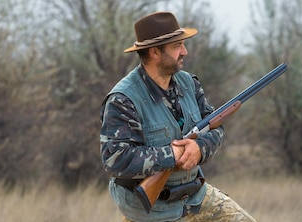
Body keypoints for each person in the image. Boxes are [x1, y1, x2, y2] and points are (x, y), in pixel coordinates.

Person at [100, 11, 256, 222]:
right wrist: (172, 155)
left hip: (194, 196)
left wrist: (199, 149)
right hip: (151, 210)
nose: (185, 51)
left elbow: (216, 126)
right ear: (155, 52)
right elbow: (116, 159)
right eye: (177, 46)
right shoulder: (123, 99)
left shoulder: (189, 83)